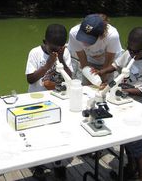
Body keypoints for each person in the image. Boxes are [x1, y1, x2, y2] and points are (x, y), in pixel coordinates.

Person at [96, 27, 142, 181]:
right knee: (128, 143)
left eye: (136, 52)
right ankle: (129, 170)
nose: (132, 54)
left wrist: (123, 89)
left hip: (139, 109)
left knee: (137, 147)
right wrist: (101, 72)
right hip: (124, 105)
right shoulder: (129, 54)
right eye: (130, 50)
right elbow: (116, 66)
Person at [25, 24, 73, 180]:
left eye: (59, 48)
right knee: (37, 135)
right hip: (36, 100)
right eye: (52, 48)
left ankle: (59, 165)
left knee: (58, 135)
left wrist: (61, 59)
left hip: (57, 100)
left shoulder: (64, 53)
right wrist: (47, 65)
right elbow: (30, 78)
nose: (55, 51)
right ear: (44, 41)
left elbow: (70, 77)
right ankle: (38, 165)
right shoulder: (35, 53)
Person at [67, 13, 123, 84]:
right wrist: (88, 75)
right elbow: (83, 60)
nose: (84, 42)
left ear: (101, 35)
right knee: (87, 86)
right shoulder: (74, 33)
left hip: (110, 63)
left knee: (106, 88)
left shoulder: (112, 36)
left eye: (89, 40)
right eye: (82, 37)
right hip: (90, 60)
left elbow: (109, 61)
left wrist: (103, 80)